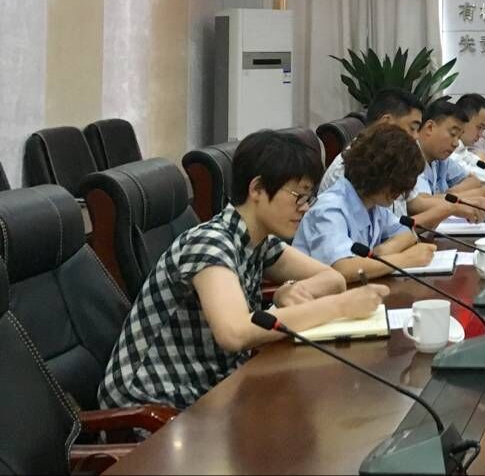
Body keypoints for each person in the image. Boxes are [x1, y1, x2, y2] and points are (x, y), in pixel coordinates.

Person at [98, 130, 388, 410]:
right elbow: (234, 333)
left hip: (212, 388)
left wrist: (290, 290)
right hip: (156, 403)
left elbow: (333, 278)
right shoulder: (210, 244)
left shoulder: (259, 241)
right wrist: (339, 307)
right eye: (297, 196)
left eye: (308, 198)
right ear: (257, 189)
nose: (305, 208)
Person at [293, 123, 438, 282]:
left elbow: (406, 233)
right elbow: (342, 269)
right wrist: (405, 259)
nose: (401, 191)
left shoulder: (373, 204)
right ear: (377, 172)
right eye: (398, 181)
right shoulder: (329, 209)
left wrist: (381, 253)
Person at [319, 87, 424, 194]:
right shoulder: (350, 169)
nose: (416, 136)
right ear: (385, 123)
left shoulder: (390, 157)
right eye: (412, 128)